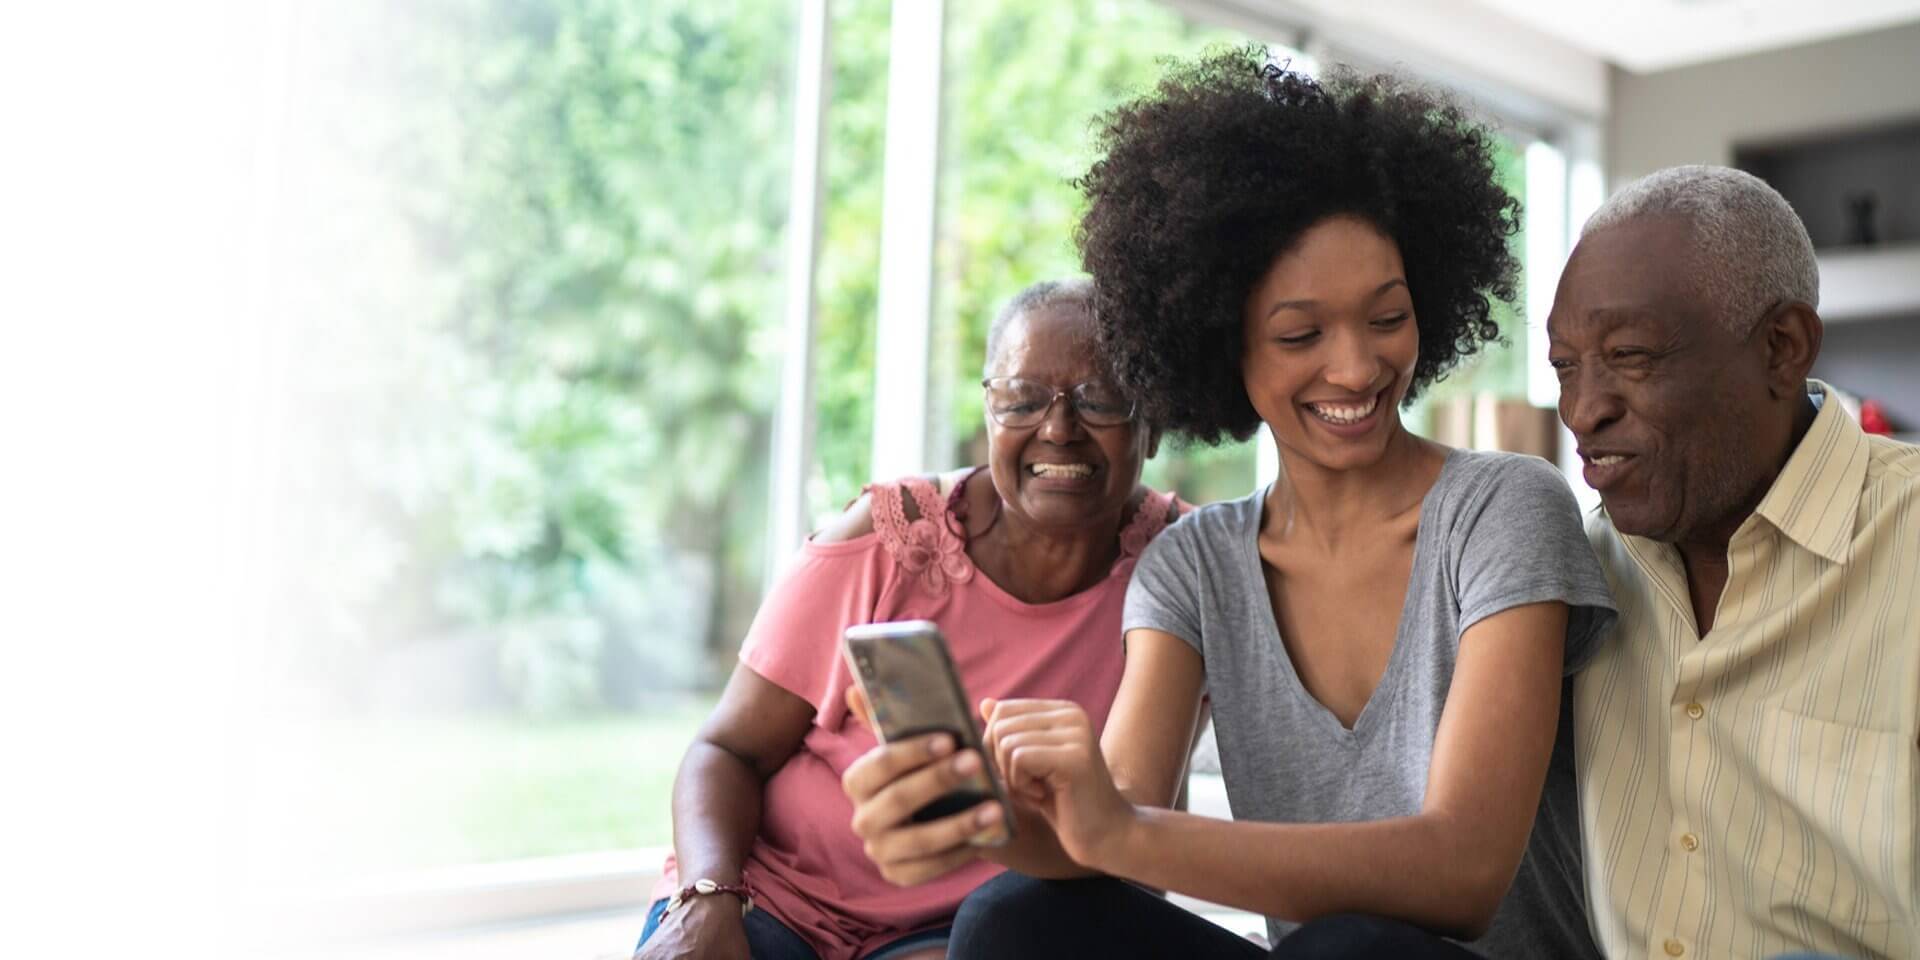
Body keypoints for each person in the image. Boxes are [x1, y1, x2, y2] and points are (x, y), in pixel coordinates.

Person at [841, 49, 1616, 958]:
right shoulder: (1194, 565)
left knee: (1347, 950)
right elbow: (1114, 832)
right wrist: (970, 815)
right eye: (1300, 333)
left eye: (1386, 316)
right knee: (1012, 917)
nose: (1358, 367)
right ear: (1221, 344)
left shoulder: (1502, 509)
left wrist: (1119, 830)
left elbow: (1463, 873)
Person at [632, 278, 1182, 960]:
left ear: (1152, 421)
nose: (1058, 429)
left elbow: (1139, 848)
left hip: (961, 935)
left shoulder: (1181, 574)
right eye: (1022, 399)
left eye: (1100, 398)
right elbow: (725, 750)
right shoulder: (887, 542)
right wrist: (707, 896)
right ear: (989, 412)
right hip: (767, 902)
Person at [1548, 165, 1919, 960]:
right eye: (1564, 367)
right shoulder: (1572, 570)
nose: (1584, 411)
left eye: (1630, 354)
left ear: (1782, 348)